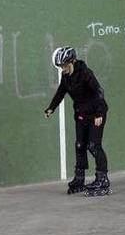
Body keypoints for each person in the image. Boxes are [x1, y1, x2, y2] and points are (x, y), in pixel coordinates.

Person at [44, 46, 111, 197]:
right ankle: (79, 179)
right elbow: (61, 92)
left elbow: (98, 92)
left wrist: (99, 113)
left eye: (65, 65)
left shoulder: (85, 74)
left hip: (96, 114)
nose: (63, 69)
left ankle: (102, 179)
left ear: (72, 61)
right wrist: (51, 108)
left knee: (93, 146)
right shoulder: (66, 77)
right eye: (60, 66)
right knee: (80, 145)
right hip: (81, 115)